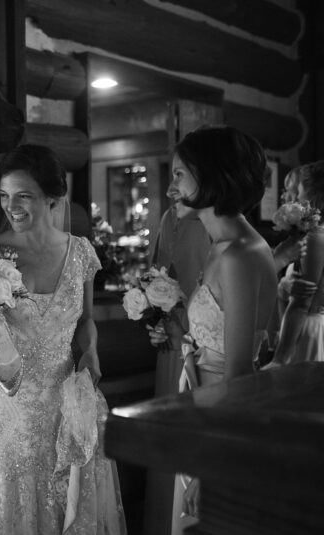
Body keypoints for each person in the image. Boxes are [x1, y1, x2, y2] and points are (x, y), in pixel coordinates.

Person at [0, 144, 127, 534]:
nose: (11, 205)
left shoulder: (81, 253)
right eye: (4, 195)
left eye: (24, 195)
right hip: (2, 403)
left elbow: (86, 320)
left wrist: (91, 351)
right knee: (5, 501)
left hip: (62, 396)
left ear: (53, 198)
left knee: (63, 502)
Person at [147, 126, 277, 534]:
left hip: (224, 425)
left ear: (212, 175)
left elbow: (239, 372)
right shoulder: (221, 247)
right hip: (201, 408)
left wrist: (210, 467)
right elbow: (213, 334)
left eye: (180, 174)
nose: (171, 187)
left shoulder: (240, 255)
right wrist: (176, 332)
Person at [142, 189, 211, 535]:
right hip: (171, 351)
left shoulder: (218, 228)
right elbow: (156, 279)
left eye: (180, 175)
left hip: (203, 356)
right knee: (166, 453)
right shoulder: (169, 218)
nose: (171, 188)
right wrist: (156, 322)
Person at [270, 160, 324, 365]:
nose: (297, 198)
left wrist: (279, 359)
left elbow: (302, 303)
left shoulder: (317, 236)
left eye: (299, 191)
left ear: (314, 196)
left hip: (306, 331)